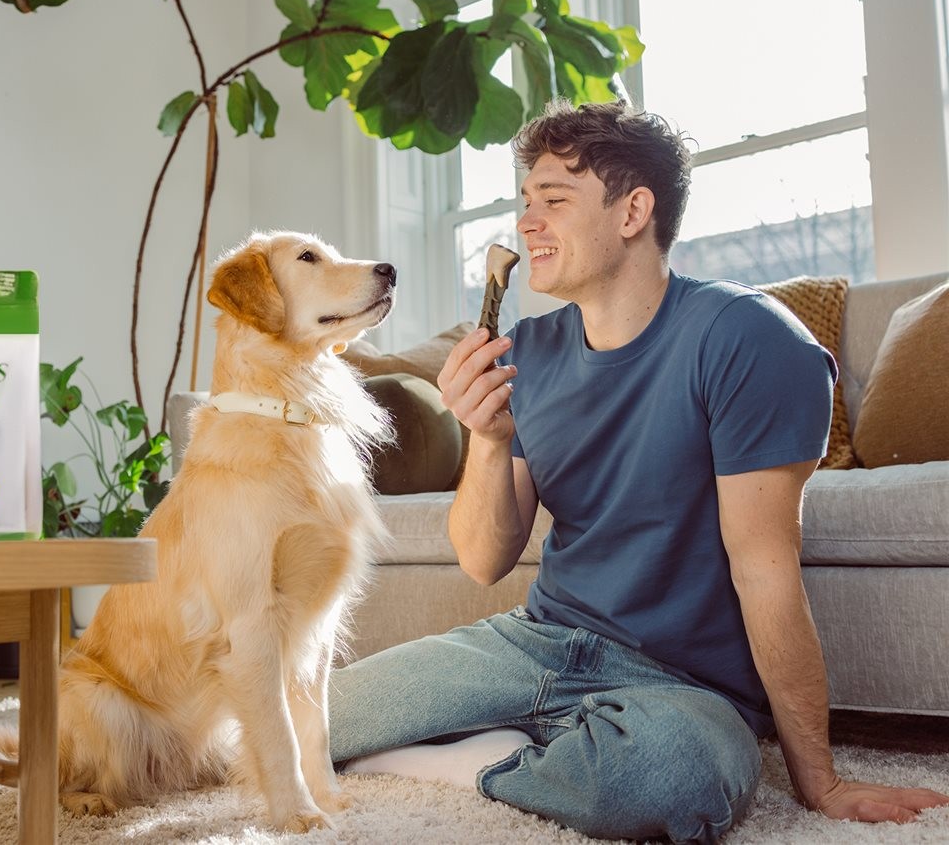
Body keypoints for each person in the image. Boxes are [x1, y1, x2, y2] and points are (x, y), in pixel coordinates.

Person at [327, 99, 949, 842]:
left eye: (554, 201)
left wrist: (822, 780)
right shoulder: (530, 350)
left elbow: (766, 570)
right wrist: (487, 439)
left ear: (633, 212)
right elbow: (484, 558)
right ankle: (538, 747)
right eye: (526, 202)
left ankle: (477, 765)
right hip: (540, 642)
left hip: (682, 684)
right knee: (308, 721)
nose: (527, 222)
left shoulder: (748, 339)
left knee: (668, 781)